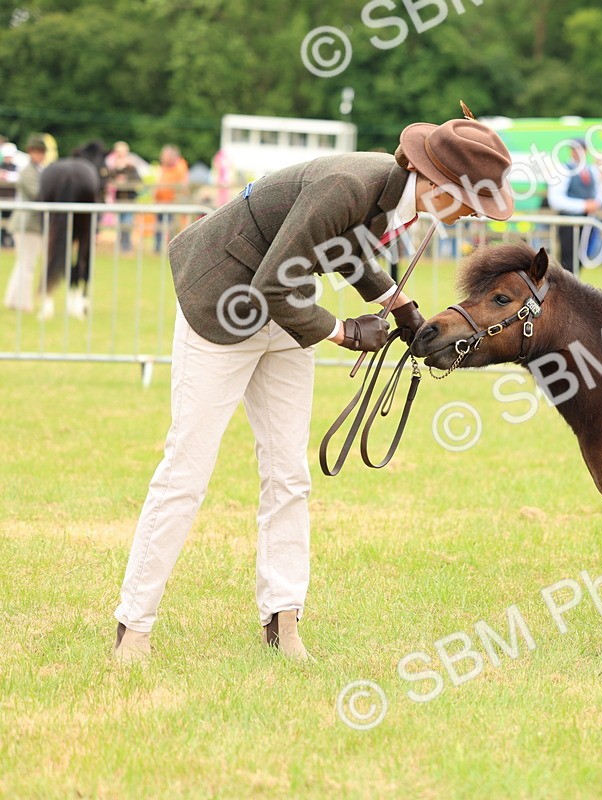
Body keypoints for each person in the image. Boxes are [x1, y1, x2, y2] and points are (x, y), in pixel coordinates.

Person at [112, 116, 516, 664]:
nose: (472, 215)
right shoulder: (346, 185)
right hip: (224, 298)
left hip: (285, 309)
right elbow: (269, 281)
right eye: (470, 202)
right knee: (186, 471)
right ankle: (133, 627)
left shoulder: (391, 193)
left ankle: (283, 621)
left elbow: (344, 247)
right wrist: (344, 331)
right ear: (438, 185)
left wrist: (402, 311)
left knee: (288, 474)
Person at [3, 136, 47, 312]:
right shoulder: (28, 171)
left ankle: (12, 300)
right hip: (27, 223)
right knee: (27, 264)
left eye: (42, 152)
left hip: (30, 223)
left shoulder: (38, 170)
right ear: (31, 152)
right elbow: (37, 194)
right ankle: (23, 303)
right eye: (38, 152)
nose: (41, 156)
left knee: (23, 263)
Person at [546, 139, 602, 273]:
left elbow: (598, 194)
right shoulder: (563, 169)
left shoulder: (591, 171)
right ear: (571, 151)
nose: (580, 153)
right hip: (569, 223)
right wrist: (583, 205)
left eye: (582, 149)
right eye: (576, 149)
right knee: (568, 263)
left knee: (580, 262)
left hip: (587, 222)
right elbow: (555, 200)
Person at [106, 142, 142, 252]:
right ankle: (123, 245)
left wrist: (125, 179)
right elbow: (109, 180)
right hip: (119, 200)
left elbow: (138, 181)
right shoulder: (114, 169)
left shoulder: (131, 168)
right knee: (121, 224)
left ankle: (126, 246)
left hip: (129, 200)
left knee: (127, 223)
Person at [152, 145, 189, 252]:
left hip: (172, 203)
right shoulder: (164, 167)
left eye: (164, 156)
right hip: (160, 201)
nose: (161, 158)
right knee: (159, 226)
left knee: (173, 226)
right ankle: (158, 248)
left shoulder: (180, 167)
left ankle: (173, 249)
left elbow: (182, 186)